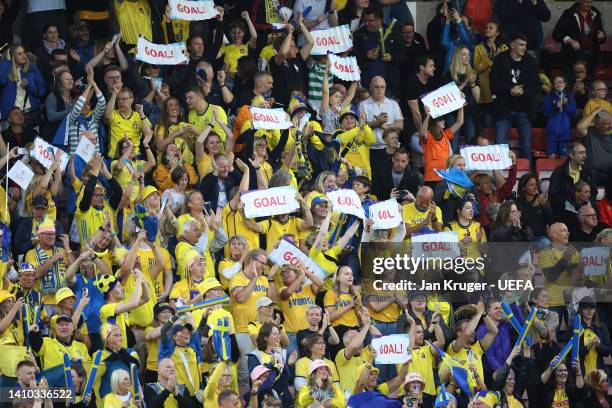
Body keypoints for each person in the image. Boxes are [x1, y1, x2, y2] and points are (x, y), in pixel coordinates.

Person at [490, 33, 539, 159]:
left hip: (524, 110)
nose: (524, 48)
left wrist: (522, 92)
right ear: (512, 45)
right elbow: (493, 84)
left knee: (526, 147)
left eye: (525, 45)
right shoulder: (500, 59)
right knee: (499, 143)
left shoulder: (530, 61)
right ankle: (500, 174)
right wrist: (510, 90)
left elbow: (535, 86)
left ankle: (526, 177)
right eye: (521, 45)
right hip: (504, 109)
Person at [358, 76, 404, 168]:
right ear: (371, 87)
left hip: (391, 147)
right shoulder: (363, 104)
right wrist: (376, 123)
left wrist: (382, 125)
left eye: (382, 87)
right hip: (372, 148)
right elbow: (360, 127)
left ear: (385, 87)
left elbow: (400, 125)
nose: (379, 89)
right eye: (376, 87)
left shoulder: (393, 104)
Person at [553, 0, 607, 73]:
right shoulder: (569, 13)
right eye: (586, 2)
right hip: (572, 56)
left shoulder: (595, 14)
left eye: (591, 2)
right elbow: (556, 33)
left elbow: (601, 32)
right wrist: (570, 41)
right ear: (579, 1)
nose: (589, 5)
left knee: (590, 80)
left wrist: (601, 35)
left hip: (592, 55)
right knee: (573, 80)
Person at [0, 44, 46, 126]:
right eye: (19, 54)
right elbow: (1, 81)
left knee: (31, 138)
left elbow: (41, 91)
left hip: (29, 112)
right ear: (12, 56)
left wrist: (28, 87)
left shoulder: (32, 69)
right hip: (9, 113)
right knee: (10, 138)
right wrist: (7, 61)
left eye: (24, 53)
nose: (23, 56)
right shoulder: (5, 69)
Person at [474, 21, 508, 129]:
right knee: (487, 124)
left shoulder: (504, 48)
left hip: (500, 91)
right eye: (486, 28)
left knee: (500, 124)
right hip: (485, 90)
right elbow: (476, 68)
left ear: (497, 33)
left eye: (491, 28)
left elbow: (506, 68)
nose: (487, 29)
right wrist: (489, 57)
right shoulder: (478, 48)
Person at [548, 142, 598, 214]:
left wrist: (586, 205)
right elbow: (553, 197)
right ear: (571, 155)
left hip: (586, 211)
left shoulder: (588, 172)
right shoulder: (559, 173)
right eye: (581, 153)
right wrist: (572, 204)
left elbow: (593, 193)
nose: (585, 156)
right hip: (565, 212)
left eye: (585, 153)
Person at [353, 7, 395, 89]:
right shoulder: (358, 34)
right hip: (366, 82)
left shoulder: (392, 33)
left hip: (389, 83)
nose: (366, 23)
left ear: (380, 20)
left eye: (370, 21)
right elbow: (350, 55)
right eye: (365, 20)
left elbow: (403, 54)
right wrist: (365, 55)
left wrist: (392, 57)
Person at [542, 76, 577, 158]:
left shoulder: (570, 96)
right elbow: (546, 113)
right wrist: (555, 107)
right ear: (553, 85)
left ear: (565, 84)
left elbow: (572, 112)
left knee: (564, 157)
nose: (558, 84)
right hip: (552, 133)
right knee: (551, 157)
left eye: (560, 82)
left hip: (564, 132)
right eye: (556, 82)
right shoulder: (548, 97)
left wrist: (564, 105)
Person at [576, 108, 612, 187]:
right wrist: (595, 112)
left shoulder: (610, 136)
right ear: (597, 124)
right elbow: (580, 127)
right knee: (590, 175)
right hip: (592, 175)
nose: (611, 126)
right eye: (607, 124)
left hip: (609, 174)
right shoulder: (589, 134)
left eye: (611, 122)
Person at [576, 296, 611, 375]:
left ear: (595, 310)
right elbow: (572, 354)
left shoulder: (602, 327)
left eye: (592, 308)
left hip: (598, 373)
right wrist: (587, 347)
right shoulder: (574, 328)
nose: (589, 311)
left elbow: (608, 351)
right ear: (581, 310)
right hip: (580, 373)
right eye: (586, 308)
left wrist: (599, 345)